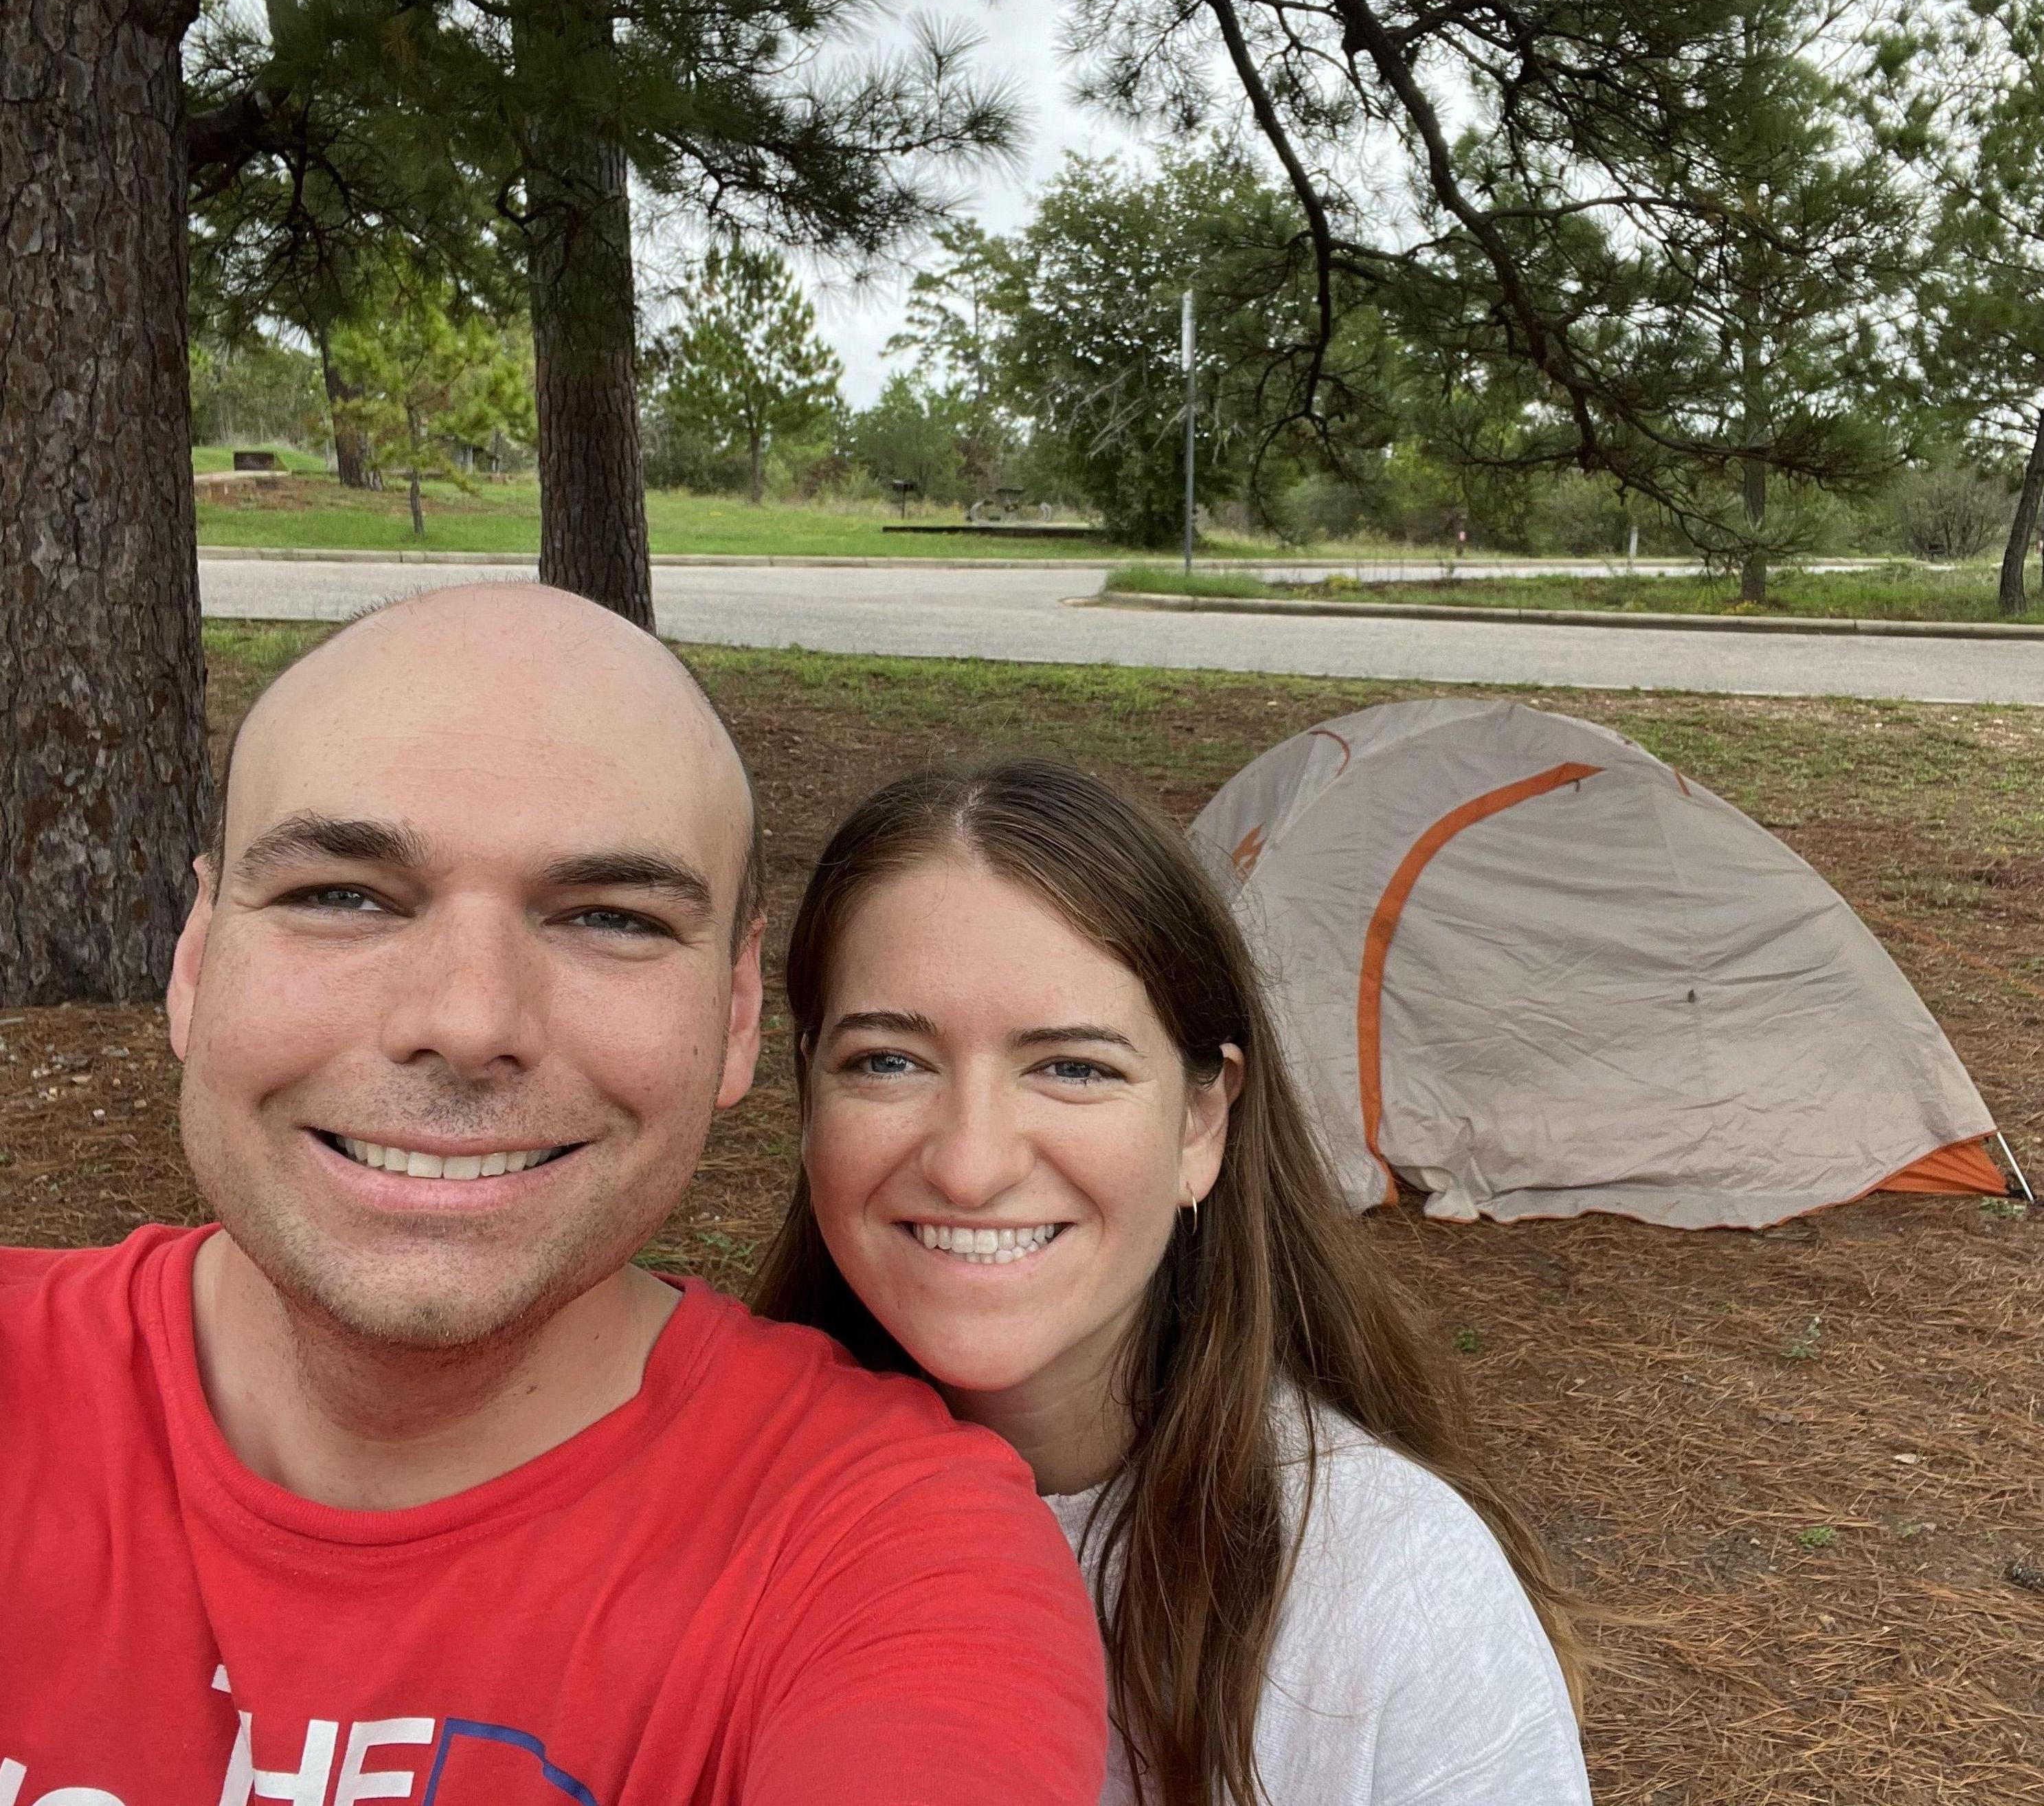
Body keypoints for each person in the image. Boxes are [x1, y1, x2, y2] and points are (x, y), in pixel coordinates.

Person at [0, 586, 1104, 1805]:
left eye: (608, 920)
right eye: (343, 896)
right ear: (198, 962)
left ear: (737, 1014)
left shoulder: (890, 1562)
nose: (468, 1023)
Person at [753, 759, 1593, 1806]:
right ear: (807, 1095)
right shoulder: (694, 1513)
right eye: (888, 1061)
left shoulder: (1393, 1586)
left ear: (1203, 1122)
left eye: (1074, 1067)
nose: (971, 1163)